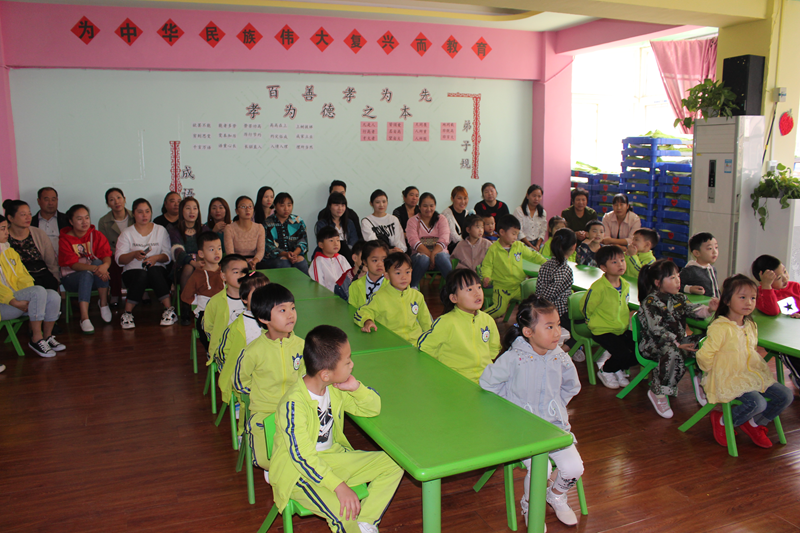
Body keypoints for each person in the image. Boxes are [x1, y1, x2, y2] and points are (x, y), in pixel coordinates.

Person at [271, 325, 404, 533]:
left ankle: (365, 523)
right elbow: (301, 457)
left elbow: (372, 408)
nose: (352, 364)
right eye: (347, 361)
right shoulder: (293, 405)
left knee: (396, 463)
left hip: (334, 459)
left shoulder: (333, 388)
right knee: (344, 515)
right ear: (325, 374)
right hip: (299, 474)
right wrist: (338, 486)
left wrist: (356, 388)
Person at [480, 295, 583, 528]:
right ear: (528, 332)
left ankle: (555, 495)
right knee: (541, 469)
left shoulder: (560, 356)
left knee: (574, 468)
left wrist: (556, 406)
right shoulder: (513, 358)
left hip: (553, 427)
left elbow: (572, 386)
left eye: (558, 325)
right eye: (549, 327)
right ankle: (530, 504)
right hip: (522, 431)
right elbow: (487, 384)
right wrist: (508, 413)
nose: (557, 332)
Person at [697, 274, 794, 449]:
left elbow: (750, 350)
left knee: (785, 396)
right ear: (727, 300)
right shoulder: (720, 327)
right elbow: (704, 355)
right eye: (742, 297)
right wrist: (714, 371)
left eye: (753, 298)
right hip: (728, 377)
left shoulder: (750, 325)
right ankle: (724, 421)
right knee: (758, 403)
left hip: (750, 373)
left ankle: (754, 424)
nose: (749, 302)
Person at [234, 283, 305, 477]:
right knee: (264, 457)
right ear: (264, 318)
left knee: (310, 446)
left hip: (294, 409)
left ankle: (288, 471)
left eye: (292, 308)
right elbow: (239, 381)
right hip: (264, 411)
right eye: (282, 310)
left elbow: (306, 377)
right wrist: (259, 394)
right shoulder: (253, 351)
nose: (290, 314)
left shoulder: (301, 346)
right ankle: (277, 469)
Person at [638, 260, 718, 418]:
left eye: (678, 276)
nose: (678, 281)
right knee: (672, 352)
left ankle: (701, 380)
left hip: (677, 342)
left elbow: (693, 309)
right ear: (658, 283)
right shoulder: (650, 302)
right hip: (653, 345)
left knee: (707, 342)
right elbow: (656, 330)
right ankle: (658, 392)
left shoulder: (679, 297)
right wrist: (677, 343)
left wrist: (710, 309)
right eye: (672, 278)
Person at [417, 269, 499, 383]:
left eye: (479, 287)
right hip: (456, 381)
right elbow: (425, 346)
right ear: (454, 298)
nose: (477, 293)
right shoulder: (446, 322)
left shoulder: (487, 320)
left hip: (485, 378)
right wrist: (442, 369)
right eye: (469, 289)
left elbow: (494, 348)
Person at [0, 214, 64, 358]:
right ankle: (36, 338)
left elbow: (23, 276)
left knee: (52, 295)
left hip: (18, 301)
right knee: (38, 292)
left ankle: (47, 336)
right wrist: (13, 301)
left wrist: (28, 295)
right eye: (2, 229)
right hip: (5, 304)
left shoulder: (9, 251)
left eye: (6, 228)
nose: (6, 232)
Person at [214, 271, 269, 431]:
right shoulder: (237, 327)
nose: (263, 297)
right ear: (244, 299)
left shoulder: (274, 320)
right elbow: (222, 352)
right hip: (245, 378)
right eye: (257, 293)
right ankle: (243, 433)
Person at [114, 198, 176, 329]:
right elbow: (119, 259)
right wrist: (133, 254)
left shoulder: (160, 230)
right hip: (133, 273)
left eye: (147, 211)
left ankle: (169, 310)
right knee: (141, 274)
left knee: (154, 270)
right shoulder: (127, 233)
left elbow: (167, 256)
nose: (144, 215)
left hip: (157, 271)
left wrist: (156, 258)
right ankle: (127, 313)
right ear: (133, 214)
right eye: (140, 212)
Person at [581, 245, 635, 389]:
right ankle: (606, 370)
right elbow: (586, 307)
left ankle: (617, 367)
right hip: (602, 330)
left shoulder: (625, 285)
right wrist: (590, 322)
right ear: (603, 267)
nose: (620, 264)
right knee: (622, 352)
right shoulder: (598, 287)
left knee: (642, 349)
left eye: (622, 260)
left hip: (620, 329)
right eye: (614, 262)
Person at [355, 252, 432, 345]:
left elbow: (426, 322)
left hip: (415, 343)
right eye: (398, 273)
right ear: (387, 275)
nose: (404, 277)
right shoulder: (379, 297)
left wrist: (431, 340)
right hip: (390, 344)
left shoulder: (417, 296)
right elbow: (363, 311)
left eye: (407, 272)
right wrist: (367, 321)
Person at [58, 204, 113, 334]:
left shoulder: (96, 235)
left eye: (87, 217)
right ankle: (84, 317)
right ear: (71, 221)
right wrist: (96, 268)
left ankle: (103, 304)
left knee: (100, 262)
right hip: (71, 278)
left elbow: (106, 254)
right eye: (79, 219)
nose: (84, 222)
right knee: (86, 273)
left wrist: (104, 266)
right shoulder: (65, 239)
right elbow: (73, 264)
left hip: (95, 277)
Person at [481, 215, 546, 320]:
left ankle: (528, 323)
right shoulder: (493, 249)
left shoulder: (519, 246)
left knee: (533, 302)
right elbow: (487, 265)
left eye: (517, 234)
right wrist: (486, 276)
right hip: (502, 288)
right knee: (499, 309)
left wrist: (546, 262)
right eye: (513, 234)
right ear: (502, 232)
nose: (516, 237)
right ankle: (479, 319)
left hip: (518, 286)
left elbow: (533, 256)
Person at [168, 197, 210, 322]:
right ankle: (185, 306)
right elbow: (178, 252)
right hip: (180, 269)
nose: (192, 212)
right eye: (188, 208)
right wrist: (193, 262)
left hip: (203, 265)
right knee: (188, 267)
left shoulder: (204, 229)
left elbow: (209, 249)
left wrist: (199, 262)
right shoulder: (174, 230)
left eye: (195, 208)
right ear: (181, 211)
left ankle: (206, 307)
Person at [534, 228, 577, 348]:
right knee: (581, 332)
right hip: (558, 312)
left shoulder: (546, 265)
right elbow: (547, 296)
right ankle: (560, 353)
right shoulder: (564, 270)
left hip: (544, 308)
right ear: (574, 247)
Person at [3, 199, 60, 291]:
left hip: (42, 274)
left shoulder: (39, 234)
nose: (28, 217)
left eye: (29, 214)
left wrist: (57, 280)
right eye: (23, 215)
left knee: (50, 286)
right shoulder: (4, 237)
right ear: (10, 218)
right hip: (20, 279)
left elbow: (51, 262)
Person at [202, 254, 249, 357]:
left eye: (244, 272)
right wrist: (218, 342)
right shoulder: (215, 302)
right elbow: (208, 326)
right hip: (226, 351)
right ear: (223, 276)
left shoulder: (254, 298)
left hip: (250, 348)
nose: (242, 275)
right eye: (236, 272)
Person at [180, 231, 225, 336]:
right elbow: (186, 296)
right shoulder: (197, 276)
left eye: (219, 248)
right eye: (211, 250)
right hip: (206, 314)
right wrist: (200, 301)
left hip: (226, 312)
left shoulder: (226, 272)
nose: (217, 253)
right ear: (201, 254)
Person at [406, 192, 452, 290]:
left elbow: (444, 239)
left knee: (441, 256)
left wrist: (433, 254)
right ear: (419, 207)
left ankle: (454, 286)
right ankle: (413, 287)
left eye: (431, 206)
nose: (428, 209)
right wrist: (430, 256)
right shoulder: (412, 221)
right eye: (425, 206)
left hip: (439, 258)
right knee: (423, 259)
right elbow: (413, 241)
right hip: (419, 259)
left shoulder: (441, 219)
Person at [98, 187, 135, 305]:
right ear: (108, 204)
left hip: (134, 250)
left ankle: (141, 291)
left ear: (124, 199)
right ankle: (115, 294)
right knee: (113, 261)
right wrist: (120, 254)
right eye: (112, 200)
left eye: (119, 198)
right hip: (115, 252)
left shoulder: (135, 216)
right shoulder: (103, 221)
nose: (116, 202)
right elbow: (104, 245)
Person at [261, 192, 309, 274]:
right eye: (282, 205)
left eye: (289, 205)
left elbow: (303, 241)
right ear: (275, 206)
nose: (286, 209)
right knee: (284, 262)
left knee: (301, 262)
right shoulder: (268, 223)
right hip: (274, 258)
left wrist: (294, 254)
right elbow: (268, 246)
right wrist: (285, 254)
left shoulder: (298, 221)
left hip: (295, 255)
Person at [315, 192, 359, 263]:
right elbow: (325, 243)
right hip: (329, 254)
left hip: (347, 254)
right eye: (336, 205)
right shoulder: (322, 224)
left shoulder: (349, 223)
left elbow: (354, 241)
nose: (340, 208)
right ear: (329, 206)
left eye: (343, 205)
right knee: (342, 245)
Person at [224, 196, 265, 270]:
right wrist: (245, 262)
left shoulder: (259, 227)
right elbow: (230, 253)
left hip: (254, 260)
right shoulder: (229, 228)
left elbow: (261, 251)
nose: (247, 209)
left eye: (250, 206)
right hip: (236, 261)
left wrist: (254, 261)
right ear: (237, 211)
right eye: (243, 207)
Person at [347, 241, 388, 309]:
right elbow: (352, 311)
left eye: (383, 260)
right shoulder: (355, 286)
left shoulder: (393, 285)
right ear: (365, 262)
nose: (380, 264)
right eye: (375, 260)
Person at [310, 226, 351, 293]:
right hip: (328, 296)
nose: (336, 243)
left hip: (345, 294)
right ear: (321, 245)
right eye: (331, 240)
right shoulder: (318, 261)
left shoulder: (342, 258)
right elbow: (318, 285)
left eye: (338, 240)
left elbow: (350, 276)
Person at [30, 187, 69, 257]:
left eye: (53, 199)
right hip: (39, 261)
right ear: (39, 201)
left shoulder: (67, 220)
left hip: (63, 260)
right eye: (46, 200)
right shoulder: (31, 223)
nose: (51, 203)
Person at [680, 232, 720, 298]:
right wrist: (689, 289)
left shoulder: (712, 269)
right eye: (710, 248)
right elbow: (674, 285)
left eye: (716, 247)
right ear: (696, 253)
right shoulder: (690, 270)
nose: (715, 252)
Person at [513, 184, 547, 250]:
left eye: (539, 196)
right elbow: (519, 231)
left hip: (537, 243)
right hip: (522, 243)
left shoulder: (543, 212)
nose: (536, 199)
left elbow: (543, 231)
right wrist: (531, 246)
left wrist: (537, 245)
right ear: (527, 196)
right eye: (534, 196)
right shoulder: (519, 211)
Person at [441, 186, 474, 253]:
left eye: (465, 198)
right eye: (459, 198)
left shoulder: (468, 213)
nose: (463, 201)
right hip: (452, 248)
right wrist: (469, 243)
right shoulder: (446, 215)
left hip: (467, 245)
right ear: (452, 199)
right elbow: (454, 237)